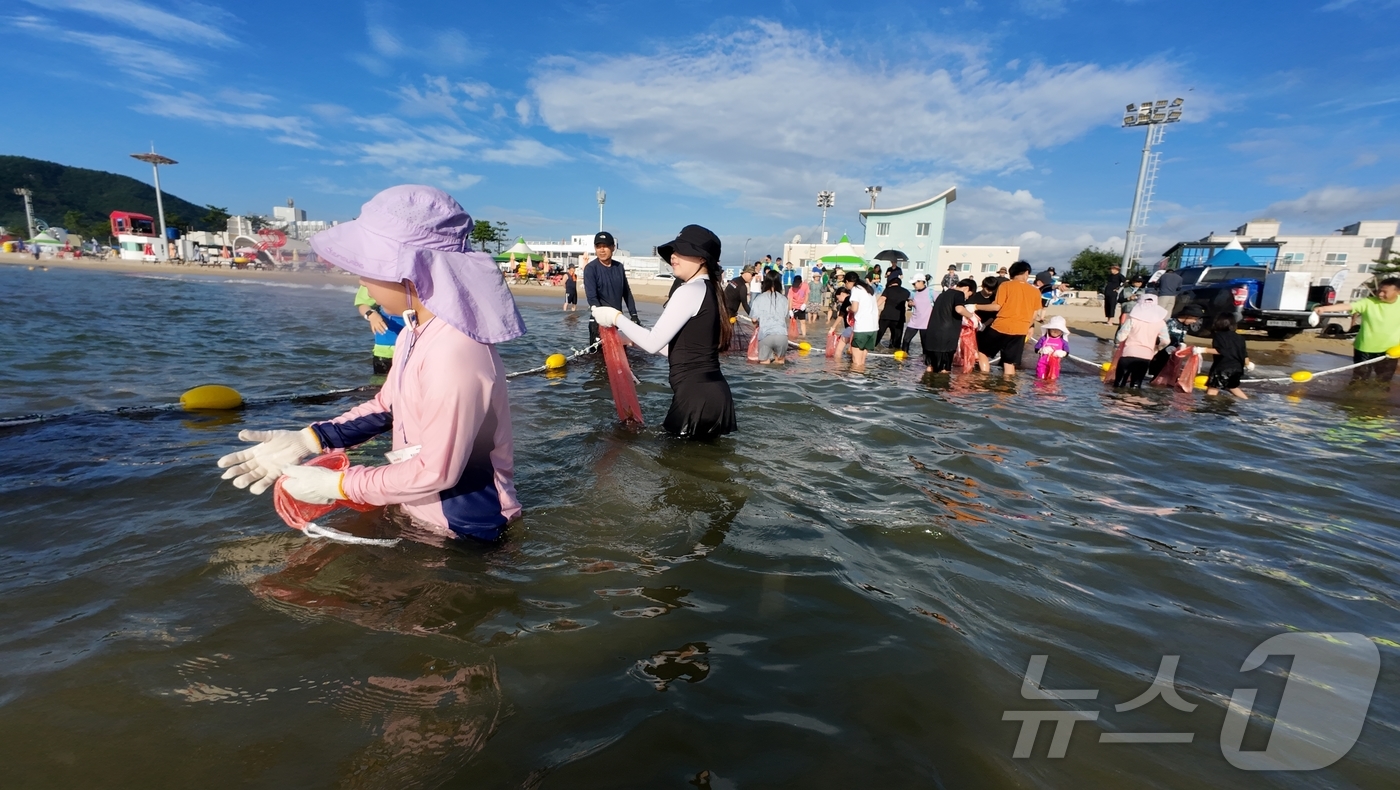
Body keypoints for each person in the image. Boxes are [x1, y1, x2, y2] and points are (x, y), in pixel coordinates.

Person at [217, 184, 526, 543]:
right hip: (415, 509)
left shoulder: (456, 352)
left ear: (413, 271)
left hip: (469, 531)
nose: (362, 281)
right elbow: (387, 406)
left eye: (369, 268)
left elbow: (437, 472)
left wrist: (341, 484)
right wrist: (311, 439)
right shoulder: (412, 330)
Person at [592, 225, 736, 439]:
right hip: (716, 397)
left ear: (702, 258)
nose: (673, 256)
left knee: (671, 467)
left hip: (694, 398)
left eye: (681, 251)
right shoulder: (710, 291)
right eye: (673, 252)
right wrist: (630, 340)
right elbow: (680, 351)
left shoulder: (688, 290)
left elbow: (653, 342)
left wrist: (616, 317)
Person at [1313, 276, 1400, 384]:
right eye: (1379, 290)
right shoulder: (1368, 302)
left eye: (1384, 292)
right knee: (1359, 380)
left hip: (1390, 351)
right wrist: (1324, 308)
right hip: (1364, 348)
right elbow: (1347, 306)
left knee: (1383, 382)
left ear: (1397, 292)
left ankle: (1377, 400)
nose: (1380, 294)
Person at [977, 261, 1044, 376]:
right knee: (1009, 362)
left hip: (1001, 326)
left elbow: (996, 306)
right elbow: (1034, 315)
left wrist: (975, 306)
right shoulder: (1035, 291)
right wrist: (1029, 326)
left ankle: (983, 381)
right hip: (1021, 329)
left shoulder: (1005, 285)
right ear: (1026, 272)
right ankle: (1006, 390)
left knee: (982, 352)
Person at [584, 231, 640, 348]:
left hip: (617, 320)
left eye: (605, 246)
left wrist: (634, 315)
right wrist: (601, 319)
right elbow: (592, 298)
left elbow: (627, 293)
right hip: (599, 321)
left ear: (613, 248)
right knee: (598, 361)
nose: (602, 250)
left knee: (623, 353)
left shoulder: (619, 267)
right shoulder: (590, 269)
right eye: (598, 247)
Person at [1113, 293, 1170, 388]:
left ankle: (1116, 400)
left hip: (1128, 353)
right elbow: (1166, 341)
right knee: (1136, 385)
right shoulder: (1161, 323)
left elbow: (1120, 337)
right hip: (1146, 356)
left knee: (1118, 384)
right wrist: (1157, 348)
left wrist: (1118, 342)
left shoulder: (1133, 320)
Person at [925, 278, 978, 373]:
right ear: (967, 288)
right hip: (946, 338)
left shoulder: (942, 294)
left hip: (931, 336)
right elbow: (959, 309)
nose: (967, 298)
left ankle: (927, 387)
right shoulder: (959, 294)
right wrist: (971, 317)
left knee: (930, 367)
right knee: (945, 370)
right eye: (969, 295)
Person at [353, 285, 407, 374]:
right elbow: (363, 303)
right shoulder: (375, 276)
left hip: (415, 345)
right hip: (385, 349)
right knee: (380, 382)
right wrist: (371, 315)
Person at [1200, 315, 1251, 399]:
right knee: (1232, 387)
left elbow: (1220, 351)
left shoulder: (1219, 336)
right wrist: (1248, 364)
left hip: (1222, 368)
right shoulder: (1240, 338)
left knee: (1213, 389)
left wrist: (1202, 350)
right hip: (1237, 368)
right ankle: (1247, 401)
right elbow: (1244, 354)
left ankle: (1209, 409)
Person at [1149, 303, 1205, 379]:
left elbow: (1181, 339)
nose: (1194, 322)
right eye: (1194, 319)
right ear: (1187, 315)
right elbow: (1159, 338)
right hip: (1161, 354)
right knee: (1156, 375)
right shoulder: (1170, 323)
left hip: (1172, 355)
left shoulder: (1185, 326)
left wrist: (1182, 345)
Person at [749, 270, 789, 364]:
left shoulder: (759, 298)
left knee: (764, 367)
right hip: (782, 335)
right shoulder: (784, 299)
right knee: (780, 364)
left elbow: (754, 319)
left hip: (765, 335)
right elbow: (785, 316)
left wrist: (757, 323)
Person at [844, 271, 878, 368]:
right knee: (862, 361)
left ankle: (855, 381)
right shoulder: (868, 288)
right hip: (873, 328)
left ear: (847, 281)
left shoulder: (855, 289)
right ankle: (861, 380)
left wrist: (848, 308)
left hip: (862, 327)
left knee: (856, 361)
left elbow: (854, 308)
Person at [876, 276, 910, 348]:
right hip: (899, 318)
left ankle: (873, 348)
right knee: (896, 339)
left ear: (891, 283)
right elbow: (911, 302)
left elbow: (882, 299)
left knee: (879, 335)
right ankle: (893, 352)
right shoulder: (906, 291)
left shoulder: (888, 290)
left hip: (886, 316)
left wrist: (873, 308)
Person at [901, 276, 933, 354]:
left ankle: (926, 361)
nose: (913, 285)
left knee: (925, 345)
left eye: (914, 283)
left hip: (926, 323)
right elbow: (910, 303)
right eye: (912, 284)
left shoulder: (931, 292)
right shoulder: (913, 293)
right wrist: (910, 304)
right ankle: (903, 362)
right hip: (914, 322)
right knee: (905, 340)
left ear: (921, 282)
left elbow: (939, 304)